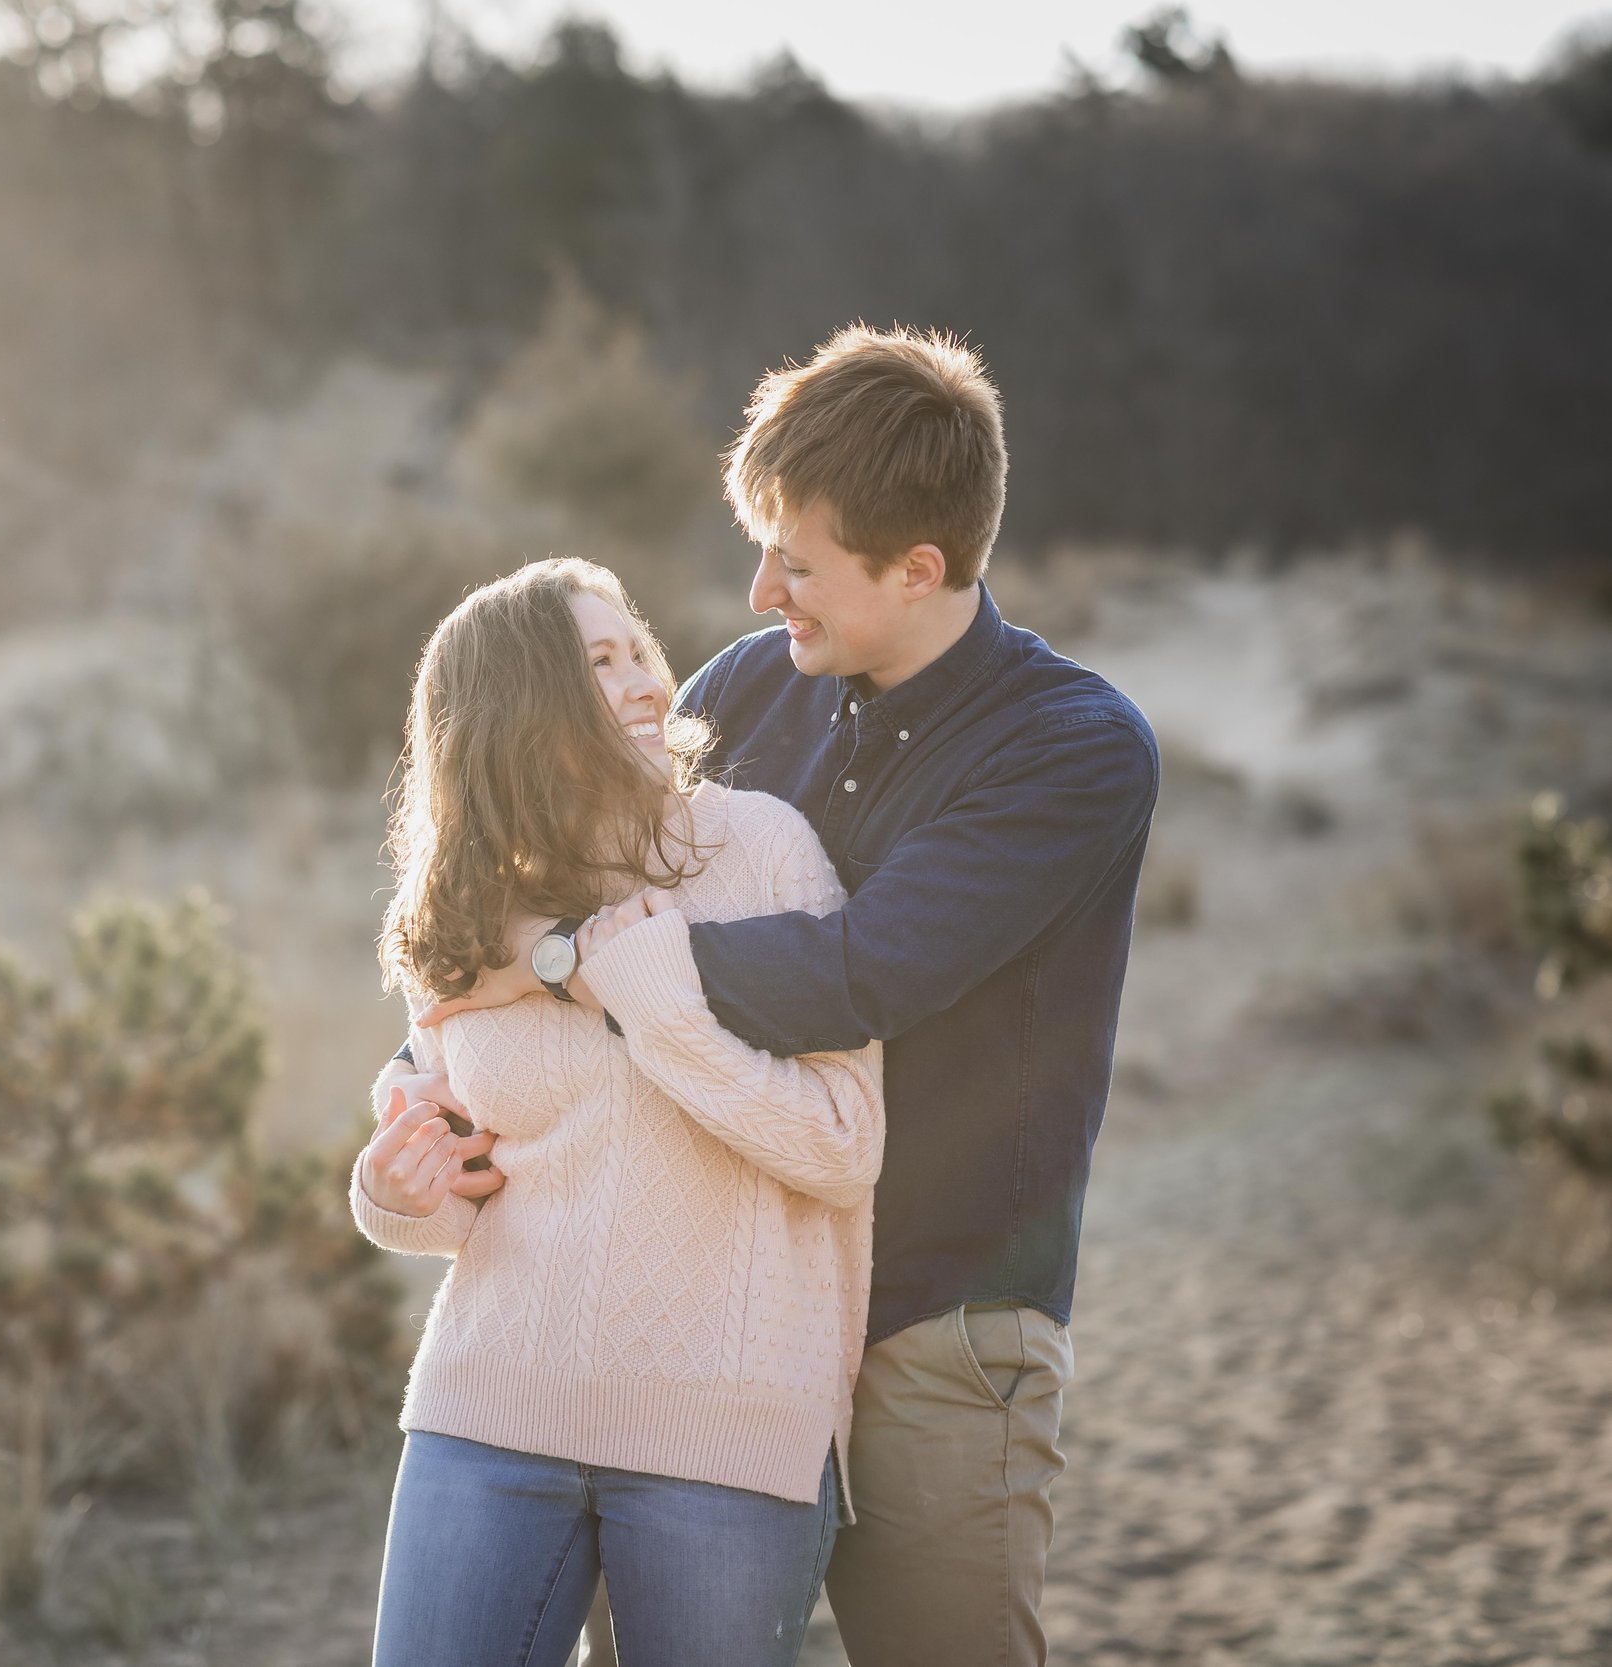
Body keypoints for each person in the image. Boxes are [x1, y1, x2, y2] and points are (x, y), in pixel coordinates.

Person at [402, 326, 1160, 1666]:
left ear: (917, 567)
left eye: (796, 563)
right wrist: (432, 1071)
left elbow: (858, 972)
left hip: (936, 1325)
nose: (760, 594)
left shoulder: (1071, 748)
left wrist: (571, 962)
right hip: (714, 1324)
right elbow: (570, 864)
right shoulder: (754, 687)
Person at [352, 556, 886, 1667]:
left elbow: (843, 1147)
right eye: (600, 663)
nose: (648, 680)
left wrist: (654, 1002)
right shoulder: (466, 901)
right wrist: (392, 1193)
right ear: (517, 707)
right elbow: (446, 1164)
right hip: (486, 1408)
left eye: (636, 647)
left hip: (725, 1431)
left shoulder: (763, 847)